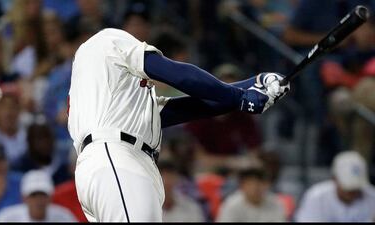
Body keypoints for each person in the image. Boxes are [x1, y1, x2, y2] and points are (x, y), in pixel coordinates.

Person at [68, 28, 290, 222]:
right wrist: (240, 97)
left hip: (110, 163)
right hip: (117, 158)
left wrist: (255, 84)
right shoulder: (110, 39)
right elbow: (178, 75)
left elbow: (193, 107)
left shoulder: (115, 98)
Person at [295, 151, 375, 222]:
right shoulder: (316, 196)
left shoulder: (372, 196)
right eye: (348, 188)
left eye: (357, 187)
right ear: (335, 179)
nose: (353, 191)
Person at [216, 156, 286, 222]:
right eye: (250, 183)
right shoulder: (231, 205)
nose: (255, 188)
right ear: (242, 185)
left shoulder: (276, 203)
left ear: (267, 184)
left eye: (259, 183)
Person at [0, 170, 77, 222]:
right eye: (33, 195)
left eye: (43, 195)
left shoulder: (64, 217)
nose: (38, 200)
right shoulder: (7, 218)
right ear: (24, 198)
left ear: (50, 198)